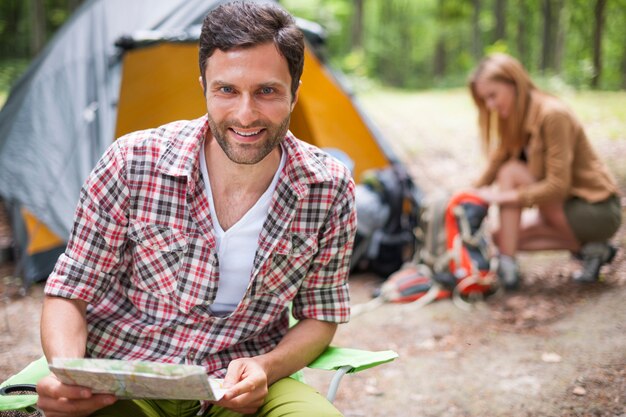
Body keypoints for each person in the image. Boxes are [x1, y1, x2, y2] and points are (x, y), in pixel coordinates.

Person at [35, 2, 356, 416]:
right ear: (203, 83)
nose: (246, 114)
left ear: (294, 90)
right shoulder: (132, 161)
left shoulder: (328, 187)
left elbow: (321, 315)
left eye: (267, 91)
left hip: (244, 382)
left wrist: (265, 366)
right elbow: (70, 290)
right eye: (227, 90)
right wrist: (68, 376)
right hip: (126, 374)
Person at [468, 53, 621, 290]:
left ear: (513, 83)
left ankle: (508, 269)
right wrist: (469, 193)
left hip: (595, 208)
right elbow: (500, 157)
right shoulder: (514, 115)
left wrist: (500, 197)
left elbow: (557, 186)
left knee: (511, 173)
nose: (491, 105)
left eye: (493, 95)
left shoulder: (552, 114)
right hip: (562, 206)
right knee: (501, 236)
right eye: (484, 100)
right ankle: (592, 250)